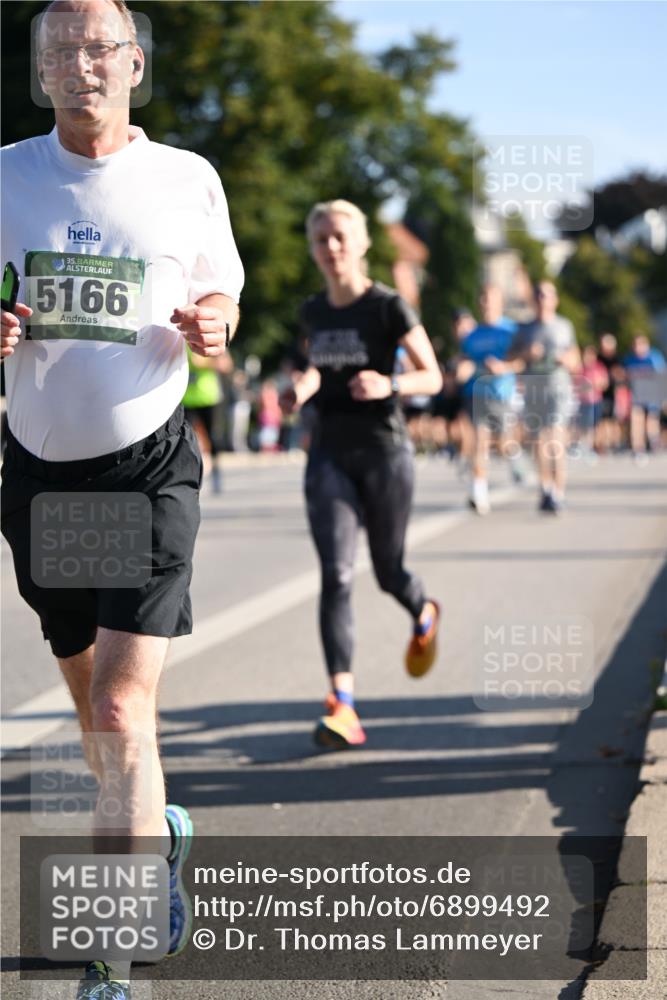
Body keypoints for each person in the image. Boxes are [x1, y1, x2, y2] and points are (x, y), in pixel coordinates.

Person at [0, 1, 243, 996]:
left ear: (134, 64)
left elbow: (223, 289)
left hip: (145, 465)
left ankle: (112, 958)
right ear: (40, 68)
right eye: (59, 48)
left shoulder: (186, 178)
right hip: (37, 473)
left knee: (118, 702)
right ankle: (159, 833)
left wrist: (215, 322)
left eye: (98, 47)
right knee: (103, 733)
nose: (79, 63)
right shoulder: (5, 174)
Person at [282, 199, 442, 750]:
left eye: (340, 237)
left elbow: (433, 377)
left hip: (384, 452)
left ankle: (422, 608)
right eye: (321, 238)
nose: (331, 247)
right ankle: (342, 704)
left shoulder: (387, 308)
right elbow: (311, 369)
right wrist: (297, 390)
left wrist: (388, 385)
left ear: (363, 243)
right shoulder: (312, 312)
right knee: (337, 574)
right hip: (328, 452)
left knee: (388, 570)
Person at [493, 282, 580, 513]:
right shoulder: (524, 329)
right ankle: (546, 488)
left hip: (558, 387)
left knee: (556, 438)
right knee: (539, 440)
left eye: (546, 295)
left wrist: (565, 360)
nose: (542, 299)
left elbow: (576, 359)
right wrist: (526, 353)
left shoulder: (564, 326)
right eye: (539, 295)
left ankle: (559, 492)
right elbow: (512, 357)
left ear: (555, 300)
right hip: (533, 387)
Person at [456, 285, 518, 514]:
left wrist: (505, 367)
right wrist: (462, 368)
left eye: (490, 300)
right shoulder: (472, 335)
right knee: (479, 441)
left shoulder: (511, 330)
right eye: (483, 300)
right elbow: (463, 359)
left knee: (503, 443)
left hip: (502, 394)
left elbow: (521, 361)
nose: (486, 304)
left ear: (500, 302)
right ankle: (478, 492)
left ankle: (514, 458)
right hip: (476, 393)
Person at [183, 344, 231, 493]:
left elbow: (226, 365)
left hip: (209, 397)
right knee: (186, 442)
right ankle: (188, 478)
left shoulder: (208, 336)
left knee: (213, 438)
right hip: (186, 399)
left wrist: (205, 363)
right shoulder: (178, 340)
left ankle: (216, 473)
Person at [623, 333, 667, 461]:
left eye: (641, 345)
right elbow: (623, 374)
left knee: (651, 421)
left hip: (652, 395)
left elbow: (662, 378)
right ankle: (638, 447)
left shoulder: (655, 357)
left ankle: (653, 442)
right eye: (635, 345)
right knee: (636, 419)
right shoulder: (630, 359)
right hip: (637, 395)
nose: (638, 348)